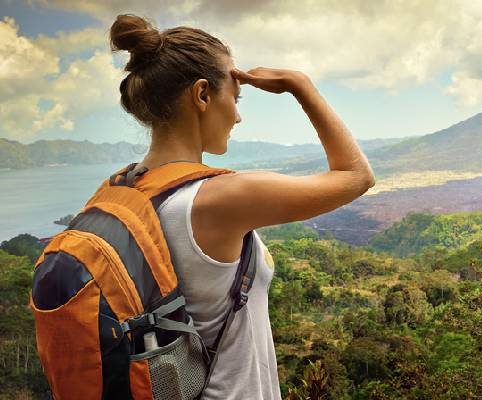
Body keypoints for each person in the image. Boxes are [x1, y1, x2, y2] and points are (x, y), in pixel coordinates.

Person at [108, 14, 375, 400]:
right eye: (235, 97)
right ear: (202, 95)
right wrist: (301, 85)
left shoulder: (124, 187)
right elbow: (357, 176)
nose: (238, 114)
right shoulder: (218, 197)